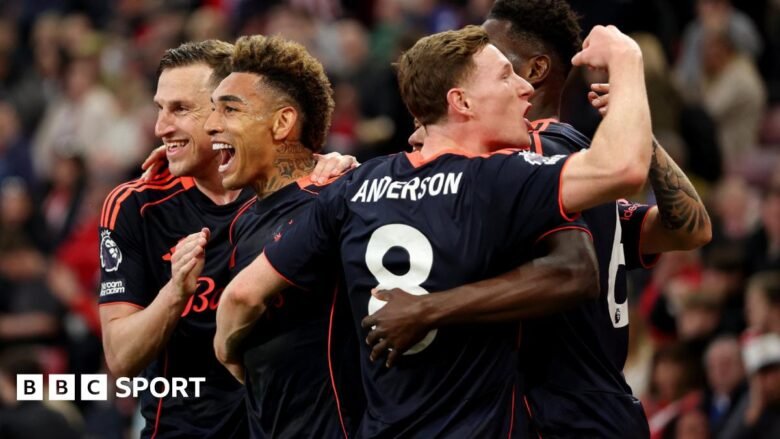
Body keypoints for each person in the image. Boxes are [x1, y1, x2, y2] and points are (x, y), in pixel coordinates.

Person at [216, 23, 653, 437]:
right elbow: (623, 169)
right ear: (461, 102)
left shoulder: (354, 185)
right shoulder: (497, 179)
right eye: (505, 77)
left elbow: (241, 296)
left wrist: (232, 359)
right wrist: (627, 59)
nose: (525, 88)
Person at [374, 1, 711, 437]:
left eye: (493, 56)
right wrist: (637, 129)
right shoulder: (573, 162)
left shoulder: (530, 153)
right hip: (607, 405)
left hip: (556, 411)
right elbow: (690, 227)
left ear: (534, 71)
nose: (474, 59)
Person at [97, 40, 353, 438]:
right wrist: (175, 292)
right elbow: (121, 357)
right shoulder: (138, 205)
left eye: (181, 109)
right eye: (160, 108)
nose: (161, 127)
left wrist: (335, 171)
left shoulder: (296, 192)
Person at [205, 34, 358, 437]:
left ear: (282, 122)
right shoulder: (242, 221)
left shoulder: (339, 199)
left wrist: (224, 346)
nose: (211, 124)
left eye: (229, 109)